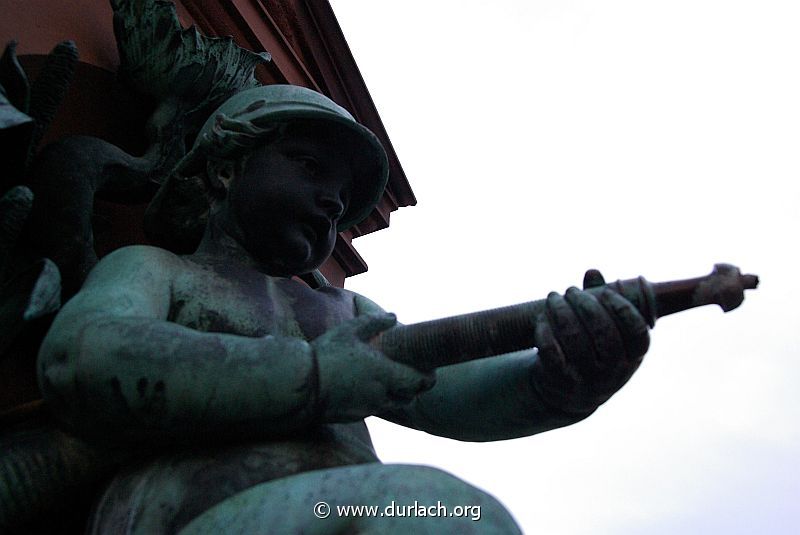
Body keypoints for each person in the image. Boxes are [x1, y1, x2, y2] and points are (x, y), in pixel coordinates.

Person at [37, 85, 649, 534]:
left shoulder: (347, 309)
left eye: (347, 196)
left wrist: (561, 380)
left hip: (348, 512)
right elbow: (80, 356)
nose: (334, 201)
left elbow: (456, 392)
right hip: (182, 516)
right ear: (225, 169)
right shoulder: (159, 270)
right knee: (440, 514)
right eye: (310, 168)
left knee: (451, 516)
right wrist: (316, 377)